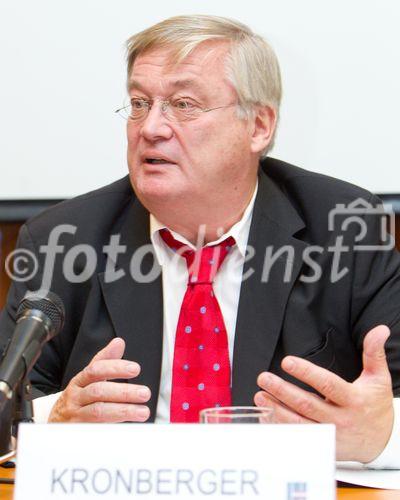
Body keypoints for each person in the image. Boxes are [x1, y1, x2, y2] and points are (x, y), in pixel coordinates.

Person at [0, 15, 399, 467]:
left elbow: (388, 400)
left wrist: (382, 436)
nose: (150, 128)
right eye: (138, 103)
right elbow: (8, 396)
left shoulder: (345, 228)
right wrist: (52, 425)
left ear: (259, 126)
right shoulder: (64, 239)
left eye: (183, 104)